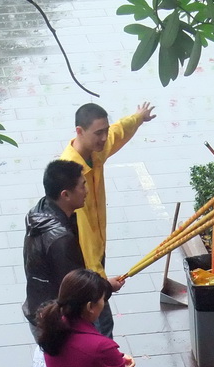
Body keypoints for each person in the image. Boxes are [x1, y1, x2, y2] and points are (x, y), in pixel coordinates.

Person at [58, 101, 156, 338]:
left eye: (105, 131)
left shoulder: (95, 150)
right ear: (79, 132)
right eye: (98, 133)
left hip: (95, 261)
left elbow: (118, 133)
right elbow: (84, 237)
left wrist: (138, 117)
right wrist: (100, 283)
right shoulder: (70, 174)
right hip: (85, 267)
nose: (104, 138)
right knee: (100, 328)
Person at [14, 159, 89, 367]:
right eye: (82, 186)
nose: (87, 191)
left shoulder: (42, 212)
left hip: (39, 308)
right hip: (53, 317)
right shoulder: (60, 238)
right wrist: (103, 287)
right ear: (65, 194)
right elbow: (75, 289)